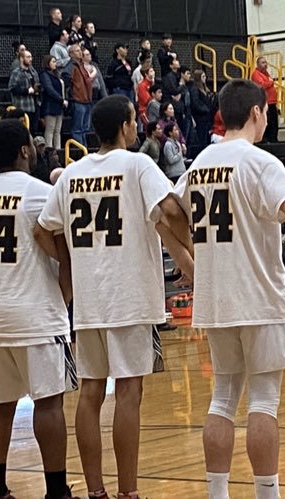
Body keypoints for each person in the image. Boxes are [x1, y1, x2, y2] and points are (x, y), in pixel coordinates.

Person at [36, 96, 193, 499]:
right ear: (125, 126)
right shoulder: (138, 164)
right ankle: (128, 492)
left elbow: (43, 229)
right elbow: (172, 212)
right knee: (128, 393)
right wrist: (192, 239)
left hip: (89, 301)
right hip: (130, 297)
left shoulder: (71, 174)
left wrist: (72, 259)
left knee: (90, 393)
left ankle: (95, 491)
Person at [174, 80, 285, 499]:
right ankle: (266, 494)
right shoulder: (261, 162)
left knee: (222, 398)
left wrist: (188, 261)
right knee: (264, 401)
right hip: (258, 297)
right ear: (256, 112)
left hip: (216, 299)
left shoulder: (198, 163)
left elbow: (168, 211)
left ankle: (218, 494)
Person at [0, 120, 74, 499]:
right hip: (33, 310)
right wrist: (66, 290)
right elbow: (64, 249)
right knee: (48, 404)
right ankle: (56, 491)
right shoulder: (39, 193)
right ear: (25, 150)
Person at [68, 46, 105, 145]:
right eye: (77, 51)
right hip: (78, 100)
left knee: (85, 128)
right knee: (78, 128)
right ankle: (79, 150)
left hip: (86, 100)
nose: (79, 52)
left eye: (80, 50)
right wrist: (72, 96)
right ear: (70, 54)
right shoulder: (71, 66)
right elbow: (67, 81)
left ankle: (84, 148)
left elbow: (87, 80)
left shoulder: (81, 66)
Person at [39, 56, 67, 150]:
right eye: (53, 61)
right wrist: (61, 99)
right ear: (48, 63)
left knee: (57, 130)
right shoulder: (45, 75)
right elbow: (49, 89)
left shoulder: (57, 74)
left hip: (59, 106)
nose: (55, 63)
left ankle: (58, 150)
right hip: (50, 105)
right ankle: (49, 150)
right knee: (50, 129)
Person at [9, 50, 39, 125]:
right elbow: (12, 88)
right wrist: (26, 91)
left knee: (33, 129)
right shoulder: (16, 72)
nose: (31, 59)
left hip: (34, 106)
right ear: (22, 58)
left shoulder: (33, 72)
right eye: (28, 57)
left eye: (31, 57)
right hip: (22, 106)